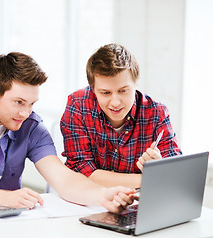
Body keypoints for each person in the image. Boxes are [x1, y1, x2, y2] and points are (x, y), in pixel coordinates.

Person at [0, 52, 135, 213]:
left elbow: (63, 179)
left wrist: (102, 196)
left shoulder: (31, 127)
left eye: (31, 103)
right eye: (19, 102)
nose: (25, 112)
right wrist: (2, 197)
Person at [60, 43, 182, 189]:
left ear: (136, 84)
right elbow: (81, 170)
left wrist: (160, 167)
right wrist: (148, 179)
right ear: (93, 89)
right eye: (105, 93)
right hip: (91, 199)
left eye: (123, 91)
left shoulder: (157, 113)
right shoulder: (78, 104)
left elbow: (175, 175)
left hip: (136, 203)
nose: (115, 102)